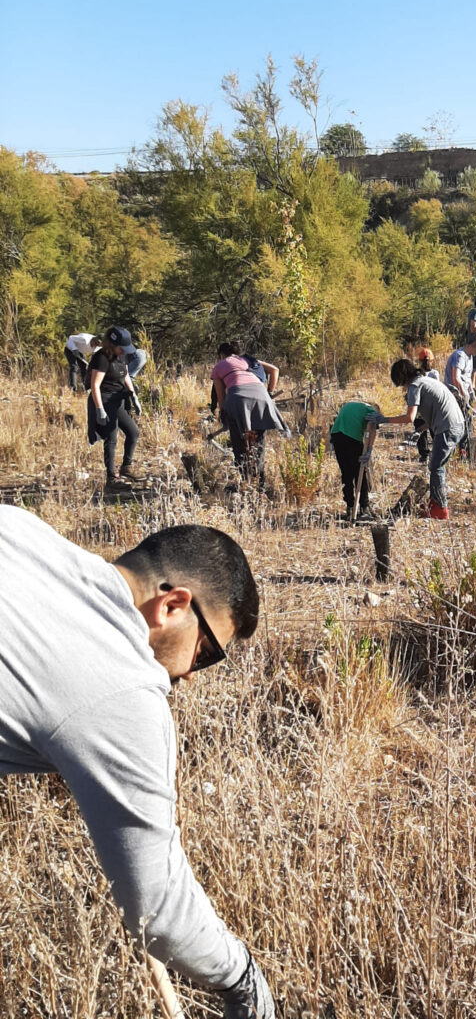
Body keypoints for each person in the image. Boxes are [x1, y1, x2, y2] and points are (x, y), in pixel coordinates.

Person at [0, 506, 276, 1018]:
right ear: (172, 605)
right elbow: (157, 908)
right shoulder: (126, 690)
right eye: (208, 652)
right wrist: (241, 977)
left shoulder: (23, 529)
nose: (194, 673)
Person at [375, 358, 465, 519]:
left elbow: (410, 417)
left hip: (448, 428)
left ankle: (440, 509)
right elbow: (435, 410)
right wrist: (422, 428)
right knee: (437, 465)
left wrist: (384, 420)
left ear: (402, 378)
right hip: (457, 424)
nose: (402, 388)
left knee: (436, 467)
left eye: (400, 384)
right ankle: (435, 502)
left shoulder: (415, 386)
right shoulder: (426, 380)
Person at [211, 342, 290, 488]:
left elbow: (221, 397)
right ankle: (260, 482)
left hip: (237, 397)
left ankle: (246, 481)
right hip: (261, 396)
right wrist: (270, 391)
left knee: (239, 441)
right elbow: (274, 370)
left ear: (221, 355)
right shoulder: (246, 360)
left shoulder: (219, 366)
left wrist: (223, 416)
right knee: (258, 439)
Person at [87, 327, 143, 485]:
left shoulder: (122, 356)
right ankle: (111, 477)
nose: (123, 351)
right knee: (111, 437)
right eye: (121, 348)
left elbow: (125, 375)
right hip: (104, 400)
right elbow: (95, 385)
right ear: (111, 345)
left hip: (118, 399)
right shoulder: (101, 358)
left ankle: (127, 467)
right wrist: (100, 410)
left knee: (133, 432)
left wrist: (133, 396)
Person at [330, 399, 378, 519]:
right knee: (359, 472)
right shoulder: (371, 409)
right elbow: (372, 429)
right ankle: (364, 508)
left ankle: (350, 506)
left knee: (346, 473)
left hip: (336, 435)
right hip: (352, 437)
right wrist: (369, 450)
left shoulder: (352, 405)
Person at [444, 337, 476, 451]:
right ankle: (457, 448)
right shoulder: (460, 356)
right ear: (474, 345)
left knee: (468, 420)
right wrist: (464, 394)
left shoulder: (470, 357)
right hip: (456, 395)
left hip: (465, 394)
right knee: (459, 422)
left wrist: (471, 393)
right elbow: (456, 378)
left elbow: (467, 378)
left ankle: (465, 448)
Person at [414, 348, 440, 463]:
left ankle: (424, 455)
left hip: (420, 406)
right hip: (432, 407)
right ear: (432, 361)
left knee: (420, 430)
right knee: (435, 431)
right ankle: (438, 453)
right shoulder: (434, 374)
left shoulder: (416, 374)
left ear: (419, 361)